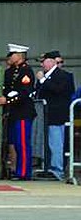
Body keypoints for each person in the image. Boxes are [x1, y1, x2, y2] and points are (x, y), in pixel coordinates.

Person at [0, 43, 36, 180]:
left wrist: (7, 101)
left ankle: (24, 172)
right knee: (13, 142)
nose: (10, 57)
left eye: (12, 54)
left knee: (22, 143)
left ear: (19, 56)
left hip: (23, 112)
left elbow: (24, 93)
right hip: (13, 113)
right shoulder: (11, 71)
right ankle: (16, 169)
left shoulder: (26, 72)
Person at [34, 50, 74, 181]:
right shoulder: (44, 77)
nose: (42, 65)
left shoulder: (63, 75)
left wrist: (43, 80)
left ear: (51, 62)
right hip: (44, 115)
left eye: (43, 62)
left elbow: (58, 90)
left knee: (56, 143)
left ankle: (57, 169)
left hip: (56, 115)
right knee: (46, 143)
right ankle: (47, 167)